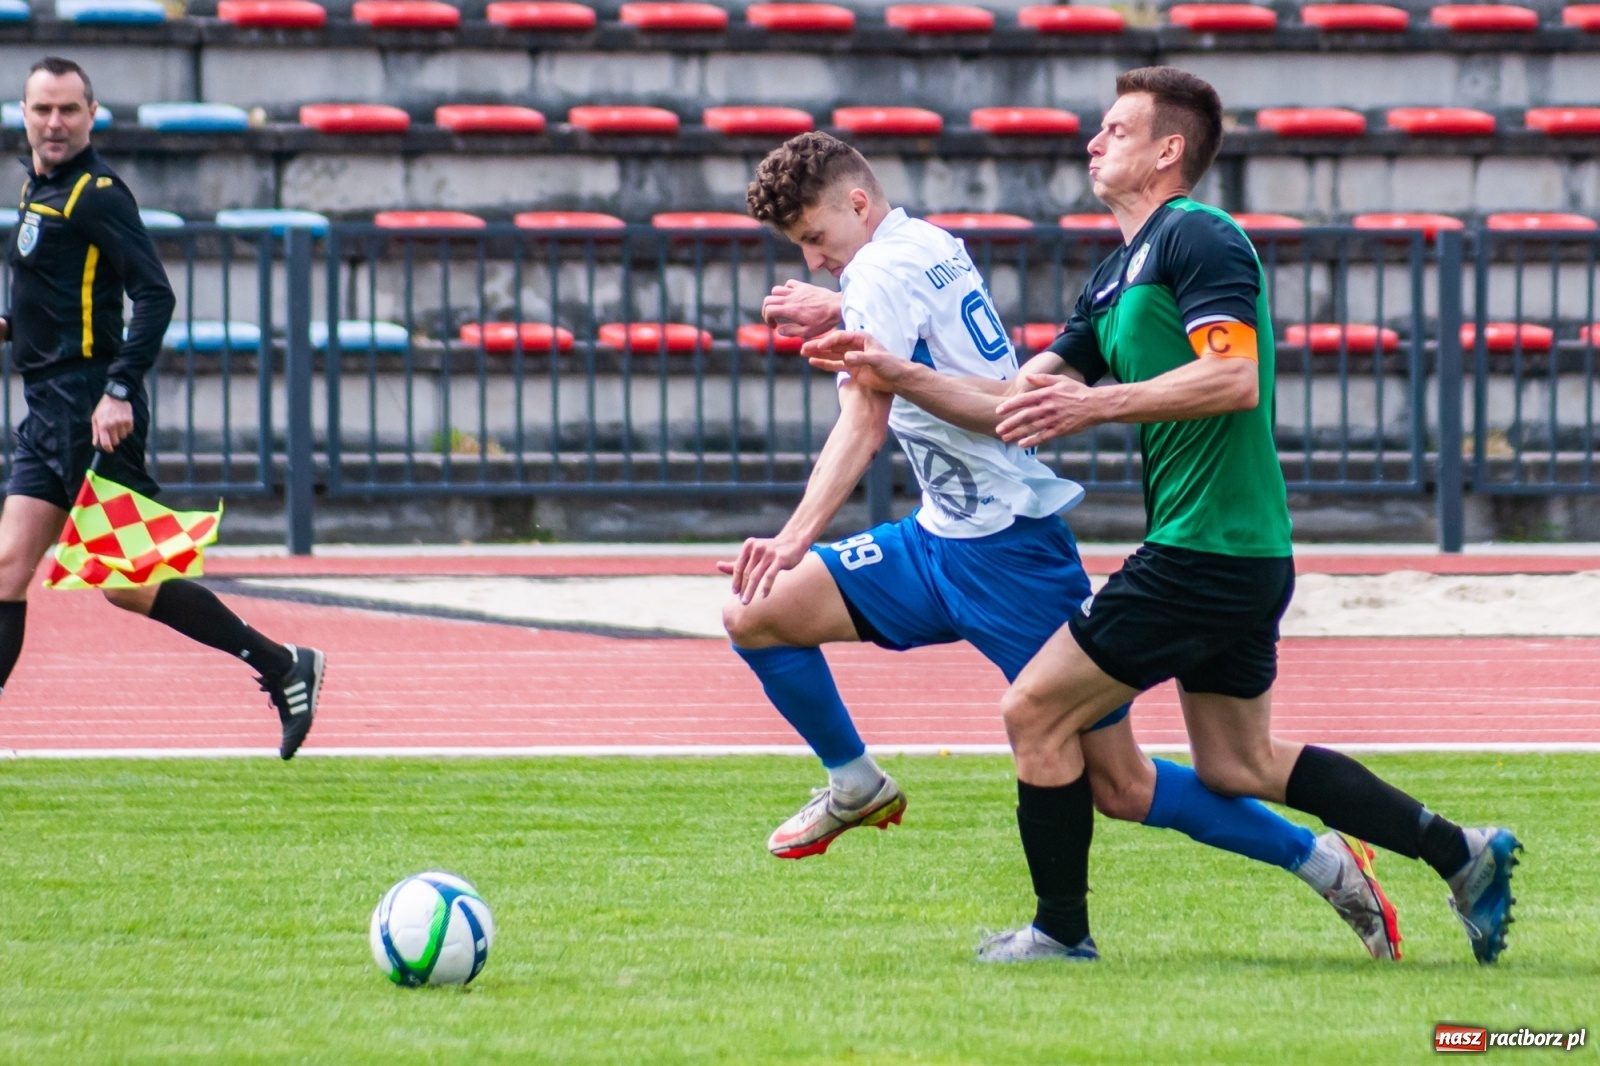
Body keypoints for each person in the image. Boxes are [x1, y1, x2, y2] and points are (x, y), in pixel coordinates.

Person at [724, 130, 1402, 963]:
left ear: (856, 204)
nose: (815, 259)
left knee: (1122, 784)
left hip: (1009, 555)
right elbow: (932, 335)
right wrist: (843, 310)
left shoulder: (878, 272)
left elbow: (865, 418)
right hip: (938, 538)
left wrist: (794, 536)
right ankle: (856, 782)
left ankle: (1322, 862)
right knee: (756, 614)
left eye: (816, 237)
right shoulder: (921, 244)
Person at [947, 66, 1516, 963]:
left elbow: (1232, 377)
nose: (1093, 142)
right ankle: (1462, 854)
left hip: (1203, 550)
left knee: (1034, 713)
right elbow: (1015, 397)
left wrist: (1096, 404)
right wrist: (882, 359)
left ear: (1166, 151)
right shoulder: (1115, 276)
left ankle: (1060, 934)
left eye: (1116, 130)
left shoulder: (1200, 237)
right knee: (1237, 765)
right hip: (1231, 552)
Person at [0, 57, 325, 759]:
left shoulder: (97, 195)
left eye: (67, 110)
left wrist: (119, 390)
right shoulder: (38, 188)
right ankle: (284, 665)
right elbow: (60, 297)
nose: (54, 122)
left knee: (127, 585)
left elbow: (154, 294)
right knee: (6, 566)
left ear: (92, 115)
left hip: (90, 412)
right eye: (42, 109)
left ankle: (282, 664)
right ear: (22, 113)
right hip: (46, 410)